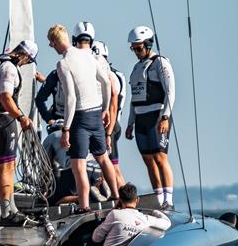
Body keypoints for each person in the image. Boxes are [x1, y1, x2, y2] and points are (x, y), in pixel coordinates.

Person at [47, 24, 120, 214]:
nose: (51, 47)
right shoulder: (89, 55)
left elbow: (71, 97)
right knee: (103, 158)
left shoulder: (63, 64)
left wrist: (66, 129)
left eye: (51, 43)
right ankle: (115, 195)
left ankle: (84, 205)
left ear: (55, 42)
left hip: (79, 117)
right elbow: (105, 82)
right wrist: (104, 109)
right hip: (96, 113)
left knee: (77, 164)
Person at [0, 39, 40, 227]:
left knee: (7, 165)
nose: (26, 64)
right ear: (25, 56)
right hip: (4, 120)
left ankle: (11, 208)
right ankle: (6, 213)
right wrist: (21, 117)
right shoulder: (9, 68)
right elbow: (5, 97)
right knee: (7, 167)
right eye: (28, 61)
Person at [124, 26, 177, 210]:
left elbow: (170, 91)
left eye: (139, 48)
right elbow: (134, 98)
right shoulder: (137, 67)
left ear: (148, 44)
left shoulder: (160, 63)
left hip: (156, 115)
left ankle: (168, 200)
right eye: (133, 49)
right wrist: (130, 123)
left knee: (160, 158)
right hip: (140, 118)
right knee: (148, 160)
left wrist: (165, 116)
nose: (136, 52)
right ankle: (158, 198)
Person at [71, 22, 122, 184]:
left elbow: (113, 93)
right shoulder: (102, 62)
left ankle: (120, 197)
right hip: (104, 118)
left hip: (95, 119)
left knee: (86, 162)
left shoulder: (77, 60)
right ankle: (115, 195)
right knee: (104, 161)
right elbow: (112, 91)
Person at [91, 183, 171, 246]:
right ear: (137, 200)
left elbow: (96, 238)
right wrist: (152, 211)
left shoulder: (114, 214)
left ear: (120, 200)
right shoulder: (146, 220)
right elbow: (167, 222)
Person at [92, 40, 127, 187]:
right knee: (105, 167)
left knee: (113, 167)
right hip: (111, 125)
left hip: (110, 127)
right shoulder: (116, 75)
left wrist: (108, 133)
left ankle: (126, 199)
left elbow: (114, 104)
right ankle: (118, 196)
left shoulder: (110, 76)